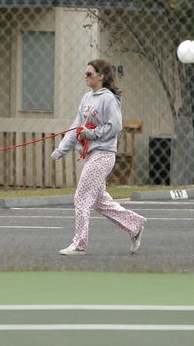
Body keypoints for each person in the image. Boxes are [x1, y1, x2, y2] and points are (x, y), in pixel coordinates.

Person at [51, 59, 146, 256]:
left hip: (104, 155)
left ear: (100, 76)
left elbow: (115, 127)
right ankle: (134, 225)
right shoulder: (86, 99)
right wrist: (61, 149)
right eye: (85, 73)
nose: (85, 77)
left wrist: (91, 134)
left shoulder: (108, 99)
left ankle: (79, 244)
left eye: (89, 74)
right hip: (92, 155)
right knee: (99, 201)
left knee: (82, 197)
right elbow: (76, 127)